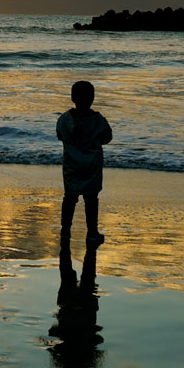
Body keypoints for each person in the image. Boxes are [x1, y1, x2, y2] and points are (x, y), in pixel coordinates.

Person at [56, 80, 112, 246]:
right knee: (91, 199)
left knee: (69, 198)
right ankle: (92, 232)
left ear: (72, 97)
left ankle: (65, 230)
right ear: (92, 98)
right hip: (92, 165)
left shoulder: (65, 119)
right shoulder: (97, 120)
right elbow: (107, 137)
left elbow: (60, 134)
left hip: (72, 164)